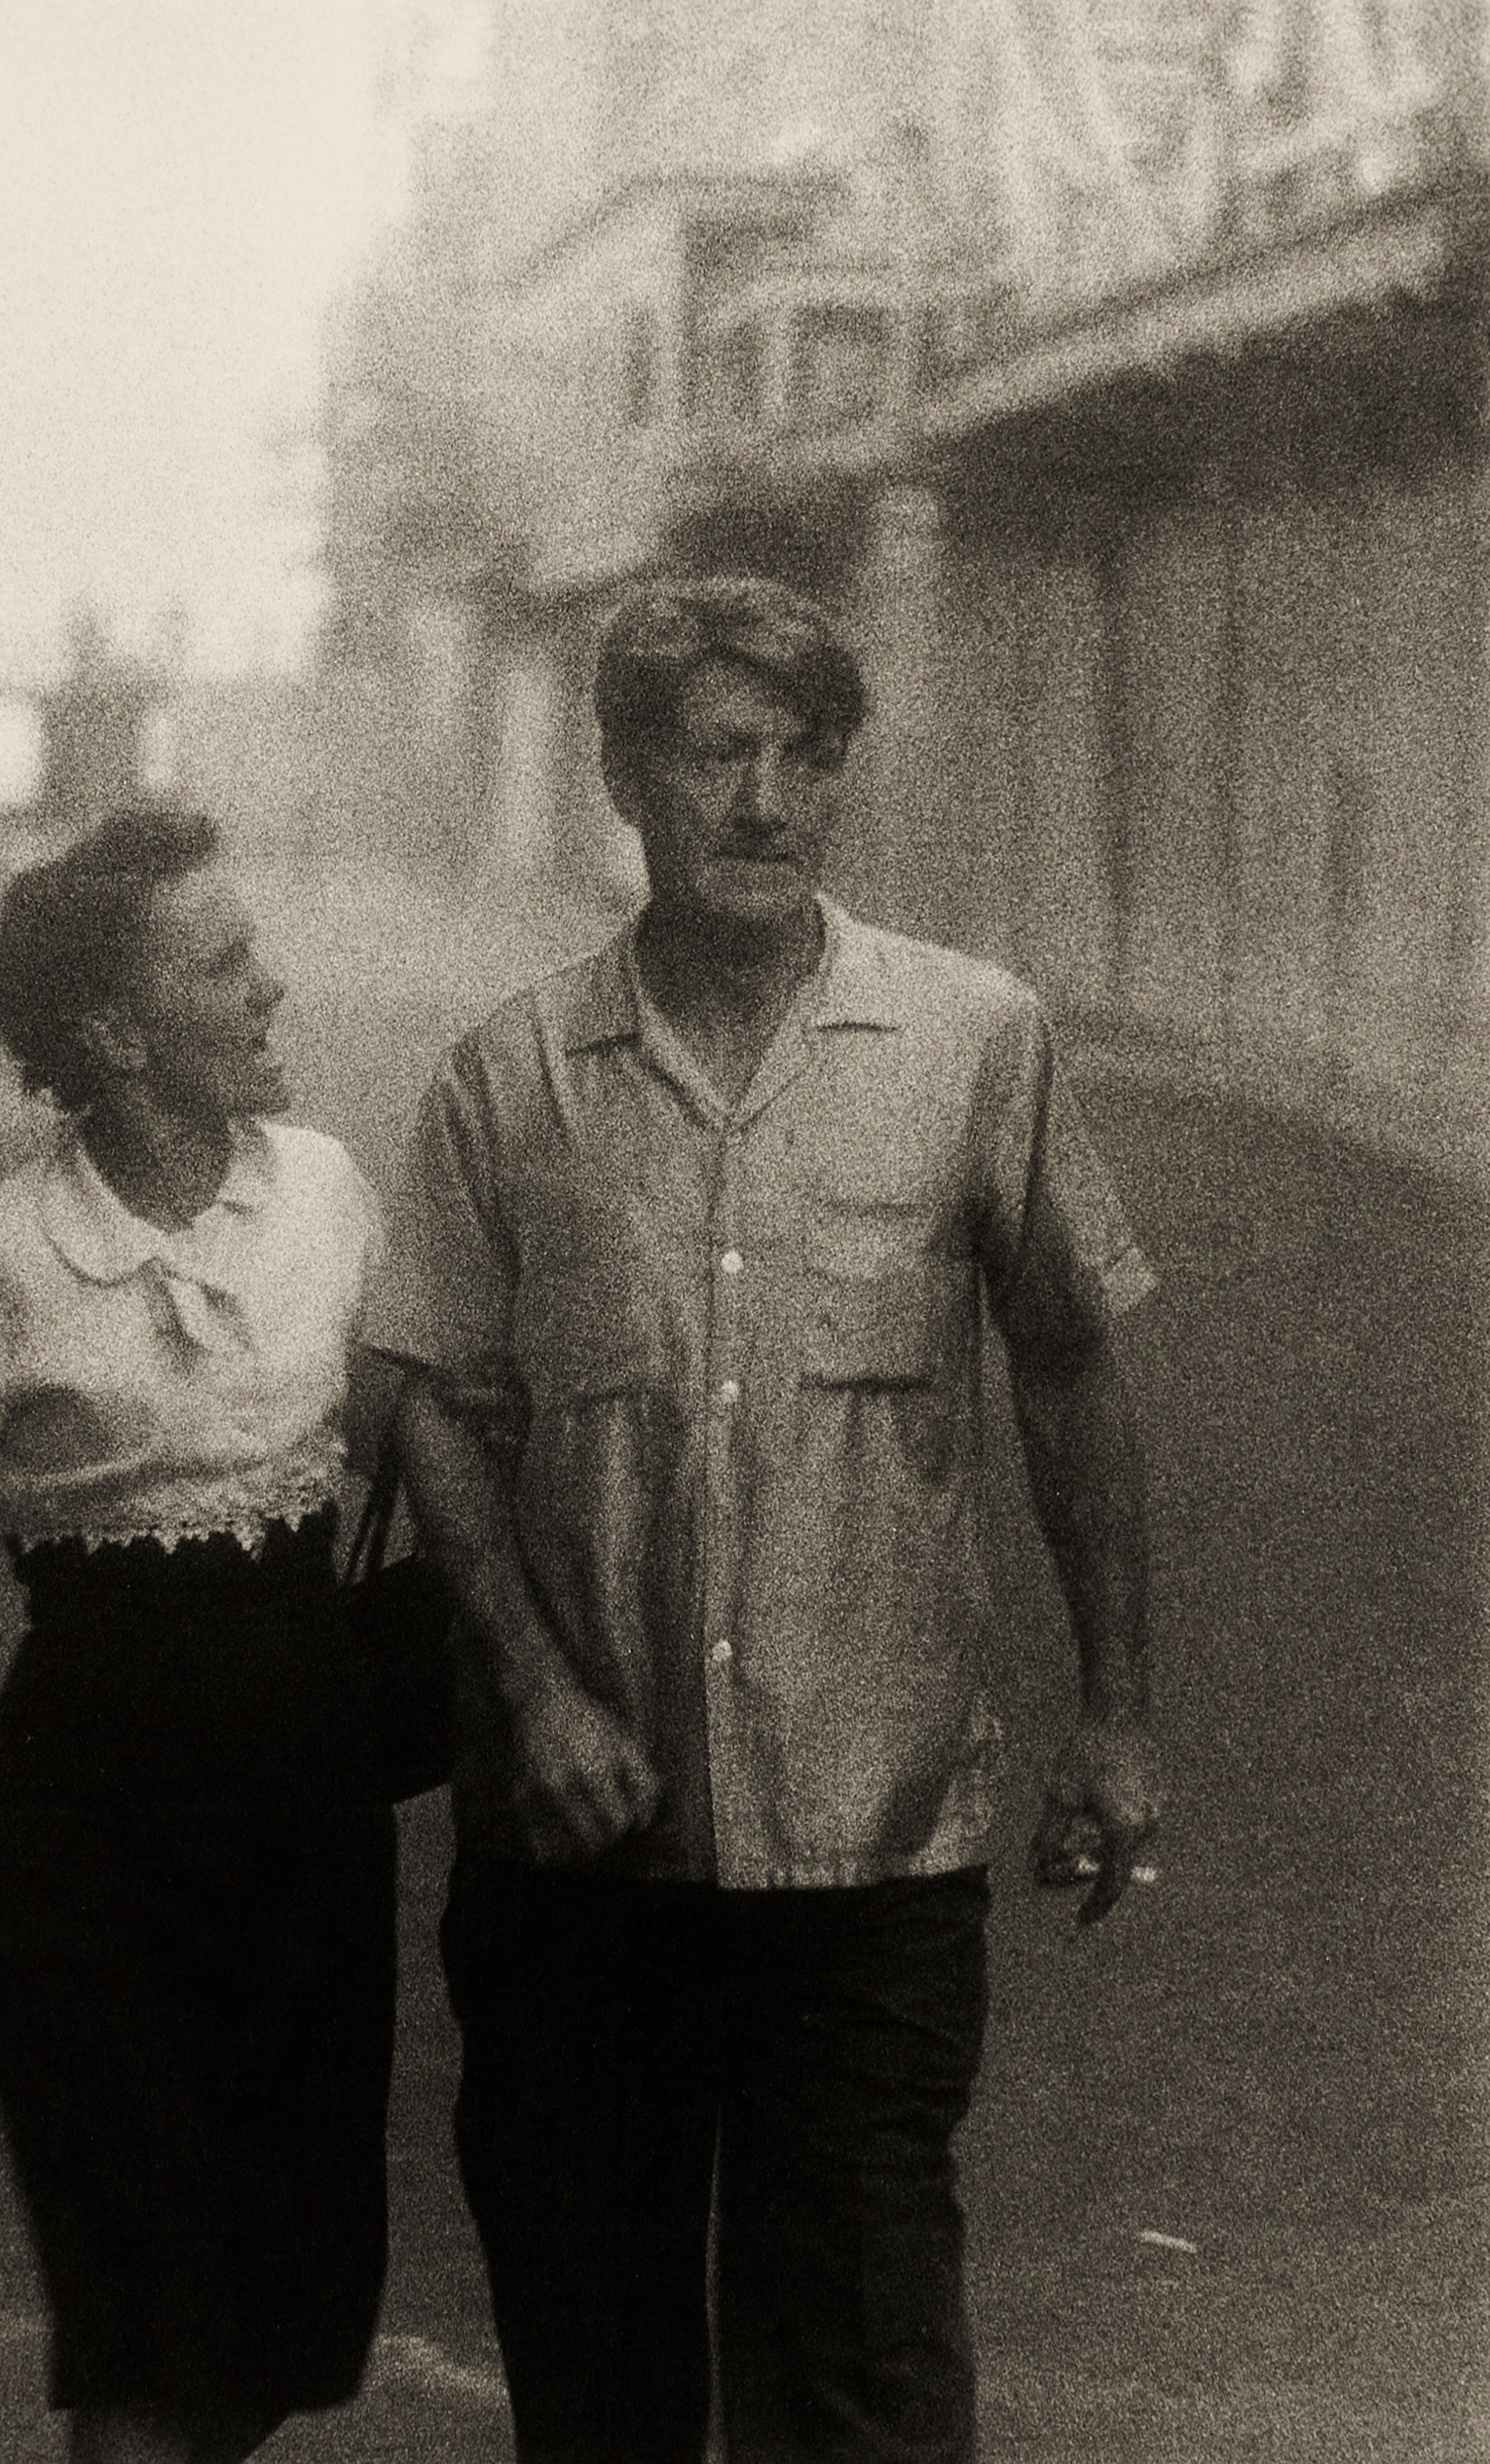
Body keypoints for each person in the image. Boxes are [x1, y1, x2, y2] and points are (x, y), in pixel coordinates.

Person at [361, 574, 1167, 2464]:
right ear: (624, 774)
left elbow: (1068, 1368)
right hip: (581, 1868)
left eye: (808, 756)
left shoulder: (973, 1039)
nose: (767, 799)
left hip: (870, 1858)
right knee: (601, 2397)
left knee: (867, 2390)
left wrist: (1117, 1711)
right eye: (721, 752)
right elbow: (430, 1403)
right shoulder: (510, 1078)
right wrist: (533, 1692)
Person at [0, 807, 401, 2464]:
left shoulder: (325, 1193)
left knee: (288, 2314)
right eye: (224, 962)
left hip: (305, 1823)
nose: (270, 985)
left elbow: (418, 1431)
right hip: (88, 1844)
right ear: (117, 1032)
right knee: (138, 2316)